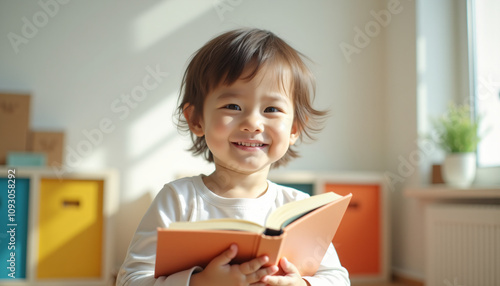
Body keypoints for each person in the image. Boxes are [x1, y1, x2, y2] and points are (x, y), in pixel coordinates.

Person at [116, 28, 350, 286]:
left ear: (294, 128)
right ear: (196, 119)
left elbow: (337, 278)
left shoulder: (299, 209)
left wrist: (302, 284)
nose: (253, 123)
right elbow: (131, 280)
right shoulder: (178, 200)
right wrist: (200, 283)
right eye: (233, 106)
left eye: (271, 109)